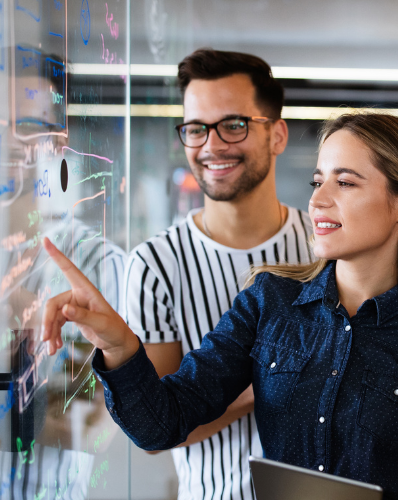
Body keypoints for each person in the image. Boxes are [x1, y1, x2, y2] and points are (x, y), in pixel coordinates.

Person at [41, 112, 398, 500]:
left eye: (345, 183)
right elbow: (162, 425)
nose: (319, 199)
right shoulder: (270, 301)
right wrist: (118, 345)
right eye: (318, 180)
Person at [122, 49, 316, 500]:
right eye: (196, 129)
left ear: (278, 135)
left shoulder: (326, 247)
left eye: (234, 125)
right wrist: (264, 382)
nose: (211, 146)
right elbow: (157, 426)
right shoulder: (154, 266)